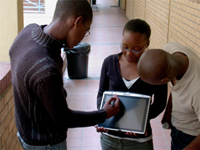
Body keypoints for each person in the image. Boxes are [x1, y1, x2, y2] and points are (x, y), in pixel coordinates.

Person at [9, 0, 120, 150]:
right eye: (86, 30)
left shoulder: (28, 31)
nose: (84, 36)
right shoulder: (46, 68)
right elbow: (63, 118)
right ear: (77, 22)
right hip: (46, 143)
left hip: (25, 133)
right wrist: (104, 114)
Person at [96, 19, 168, 150]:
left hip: (138, 142)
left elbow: (160, 103)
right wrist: (102, 116)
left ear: (147, 44)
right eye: (125, 46)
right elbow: (101, 93)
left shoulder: (156, 68)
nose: (129, 53)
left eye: (136, 49)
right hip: (109, 139)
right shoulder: (109, 63)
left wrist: (140, 121)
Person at [137, 43, 200, 150]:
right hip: (177, 127)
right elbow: (176, 87)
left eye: (154, 84)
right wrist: (168, 111)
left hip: (190, 137)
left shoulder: (197, 90)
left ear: (164, 80)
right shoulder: (170, 50)